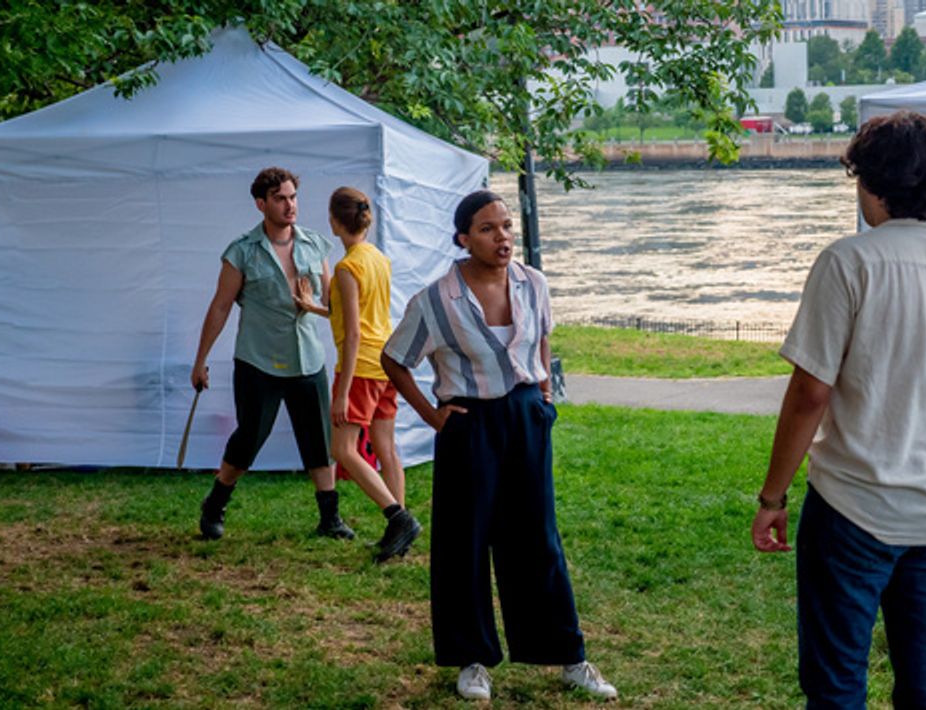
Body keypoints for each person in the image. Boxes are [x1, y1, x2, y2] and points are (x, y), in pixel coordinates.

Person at [750, 112, 926, 709]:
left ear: (872, 182)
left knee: (837, 679)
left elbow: (810, 393)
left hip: (853, 505)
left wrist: (772, 498)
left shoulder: (848, 262)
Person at [380, 190, 617, 701]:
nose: (503, 237)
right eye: (488, 229)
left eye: (507, 226)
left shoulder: (534, 284)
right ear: (463, 239)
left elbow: (543, 339)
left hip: (527, 418)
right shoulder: (436, 300)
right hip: (470, 423)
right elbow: (395, 358)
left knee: (539, 537)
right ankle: (472, 659)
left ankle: (569, 656)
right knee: (464, 542)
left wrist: (545, 396)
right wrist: (431, 416)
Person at [192, 167, 353, 541]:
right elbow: (220, 307)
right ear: (261, 204)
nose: (289, 205)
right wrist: (200, 361)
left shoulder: (315, 245)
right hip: (258, 361)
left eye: (293, 197)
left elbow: (334, 306)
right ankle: (215, 504)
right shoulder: (242, 252)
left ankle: (329, 518)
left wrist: (318, 306)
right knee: (249, 437)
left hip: (306, 358)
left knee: (317, 436)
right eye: (280, 198)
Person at [293, 187, 421, 562]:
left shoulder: (349, 267)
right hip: (385, 363)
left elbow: (352, 332)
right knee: (385, 447)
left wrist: (341, 390)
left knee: (342, 449)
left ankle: (398, 519)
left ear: (334, 222)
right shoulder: (378, 258)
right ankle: (399, 527)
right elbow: (358, 315)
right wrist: (314, 307)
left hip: (361, 366)